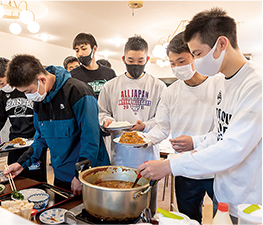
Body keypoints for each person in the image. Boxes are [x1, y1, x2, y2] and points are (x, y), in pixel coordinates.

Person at [137, 8, 262, 223]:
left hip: (249, 201)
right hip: (225, 191)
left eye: (197, 54)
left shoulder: (255, 84)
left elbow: (233, 147)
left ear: (222, 44)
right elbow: (218, 134)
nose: (196, 61)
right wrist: (194, 141)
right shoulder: (225, 82)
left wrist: (170, 165)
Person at [3, 54, 110, 195]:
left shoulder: (77, 92)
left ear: (41, 80)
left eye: (28, 91)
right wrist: (21, 163)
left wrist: (81, 175)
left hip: (89, 176)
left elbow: (91, 138)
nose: (28, 96)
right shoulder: (39, 100)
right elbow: (41, 138)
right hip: (61, 175)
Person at [143, 31, 222, 223]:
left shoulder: (219, 84)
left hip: (217, 168)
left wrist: (194, 141)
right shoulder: (170, 93)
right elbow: (161, 127)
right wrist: (142, 140)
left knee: (222, 218)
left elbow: (222, 132)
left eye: (181, 61)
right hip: (184, 169)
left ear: (195, 57)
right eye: (172, 63)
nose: (177, 67)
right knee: (187, 219)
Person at [98, 35, 165, 215]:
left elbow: (163, 120)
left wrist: (145, 126)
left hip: (148, 154)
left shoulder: (158, 86)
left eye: (140, 61)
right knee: (120, 204)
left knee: (147, 204)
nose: (136, 65)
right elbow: (102, 111)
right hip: (119, 155)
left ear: (147, 60)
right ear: (123, 60)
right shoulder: (111, 86)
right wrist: (106, 121)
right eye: (130, 61)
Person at [71, 32, 116, 98]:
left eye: (84, 49)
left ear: (94, 49)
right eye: (77, 51)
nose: (80, 54)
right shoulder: (73, 76)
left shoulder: (109, 73)